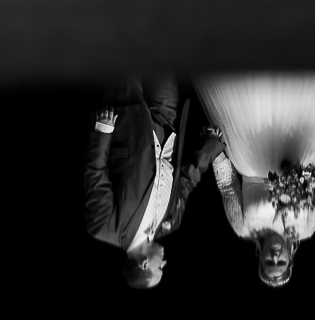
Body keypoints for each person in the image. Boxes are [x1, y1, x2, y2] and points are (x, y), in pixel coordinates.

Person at [196, 72, 315, 287]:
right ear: (290, 260)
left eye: (269, 262)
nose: (275, 257)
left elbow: (228, 187)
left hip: (251, 145)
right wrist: (305, 178)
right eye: (281, 262)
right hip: (297, 149)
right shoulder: (306, 229)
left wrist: (216, 150)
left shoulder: (243, 229)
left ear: (260, 258)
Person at [82, 78, 224, 289]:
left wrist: (103, 132)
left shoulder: (104, 228)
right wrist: (210, 148)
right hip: (164, 118)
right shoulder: (171, 224)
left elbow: (96, 176)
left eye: (160, 268)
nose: (164, 263)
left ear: (144, 264)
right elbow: (187, 182)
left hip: (127, 119)